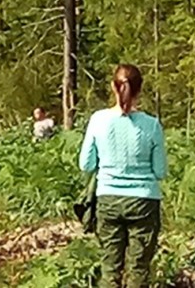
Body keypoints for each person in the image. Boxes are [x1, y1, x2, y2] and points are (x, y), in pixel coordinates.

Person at [79, 64, 168, 288]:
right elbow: (160, 172)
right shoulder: (152, 125)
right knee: (138, 269)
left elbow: (86, 164)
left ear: (113, 86)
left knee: (110, 268)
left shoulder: (98, 120)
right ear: (140, 89)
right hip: (144, 202)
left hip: (107, 199)